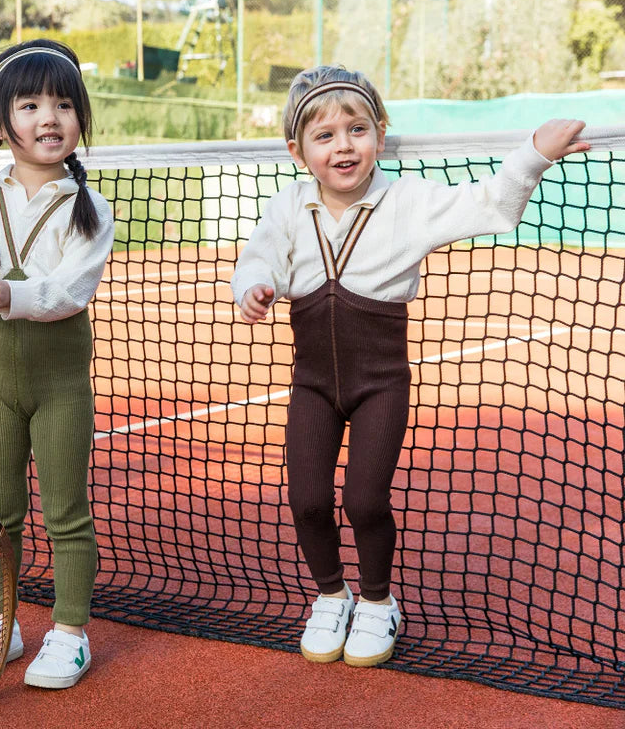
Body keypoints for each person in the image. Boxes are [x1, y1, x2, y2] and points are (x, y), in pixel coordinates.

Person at [232, 65, 588, 667]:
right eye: (324, 136)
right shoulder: (289, 204)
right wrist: (256, 286)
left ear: (380, 131)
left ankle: (377, 604)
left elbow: (490, 207)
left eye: (357, 129)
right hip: (312, 385)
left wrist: (532, 155)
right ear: (297, 150)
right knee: (308, 502)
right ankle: (330, 595)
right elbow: (257, 257)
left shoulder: (408, 200)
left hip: (381, 384)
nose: (343, 145)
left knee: (366, 500)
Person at [0, 40, 115, 689]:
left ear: (80, 117)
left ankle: (69, 632)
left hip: (60, 386)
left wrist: (10, 294)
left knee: (65, 510)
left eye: (64, 104)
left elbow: (71, 290)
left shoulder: (89, 208)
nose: (49, 117)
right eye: (30, 103)